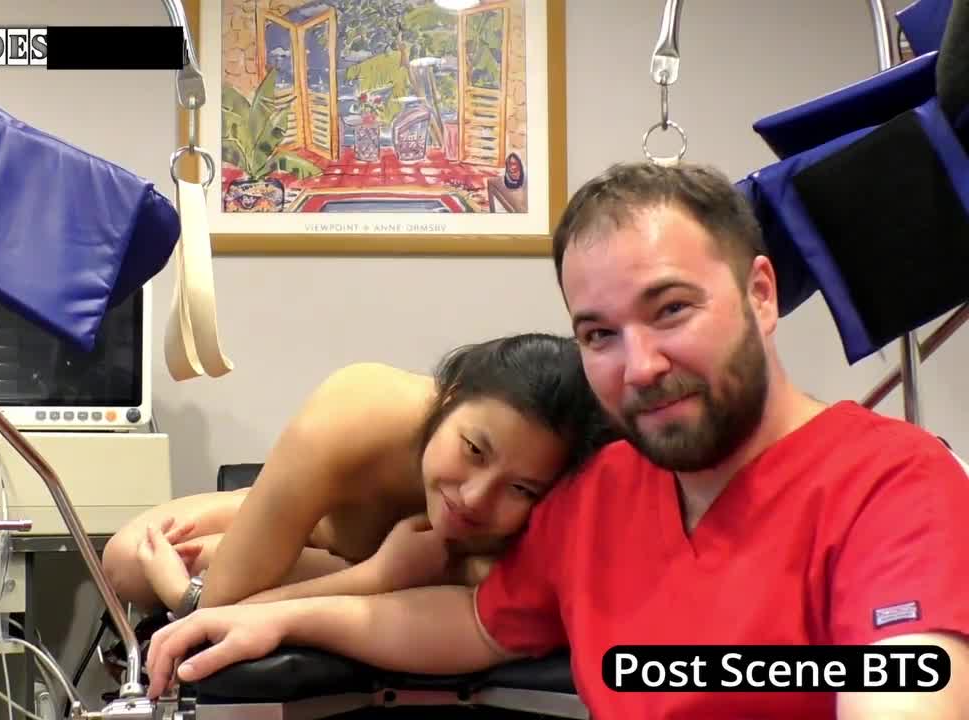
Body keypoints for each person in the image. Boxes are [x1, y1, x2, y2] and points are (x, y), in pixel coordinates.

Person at [143, 162, 969, 719]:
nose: (640, 367)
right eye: (600, 333)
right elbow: (476, 623)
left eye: (672, 310)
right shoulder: (602, 492)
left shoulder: (890, 485)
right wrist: (287, 622)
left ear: (761, 295)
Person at [100, 333, 614, 619]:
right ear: (449, 399)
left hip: (381, 564)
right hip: (323, 528)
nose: (476, 497)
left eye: (521, 488)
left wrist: (381, 578)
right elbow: (220, 607)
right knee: (127, 558)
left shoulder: (568, 496)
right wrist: (385, 576)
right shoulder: (355, 410)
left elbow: (215, 615)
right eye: (474, 450)